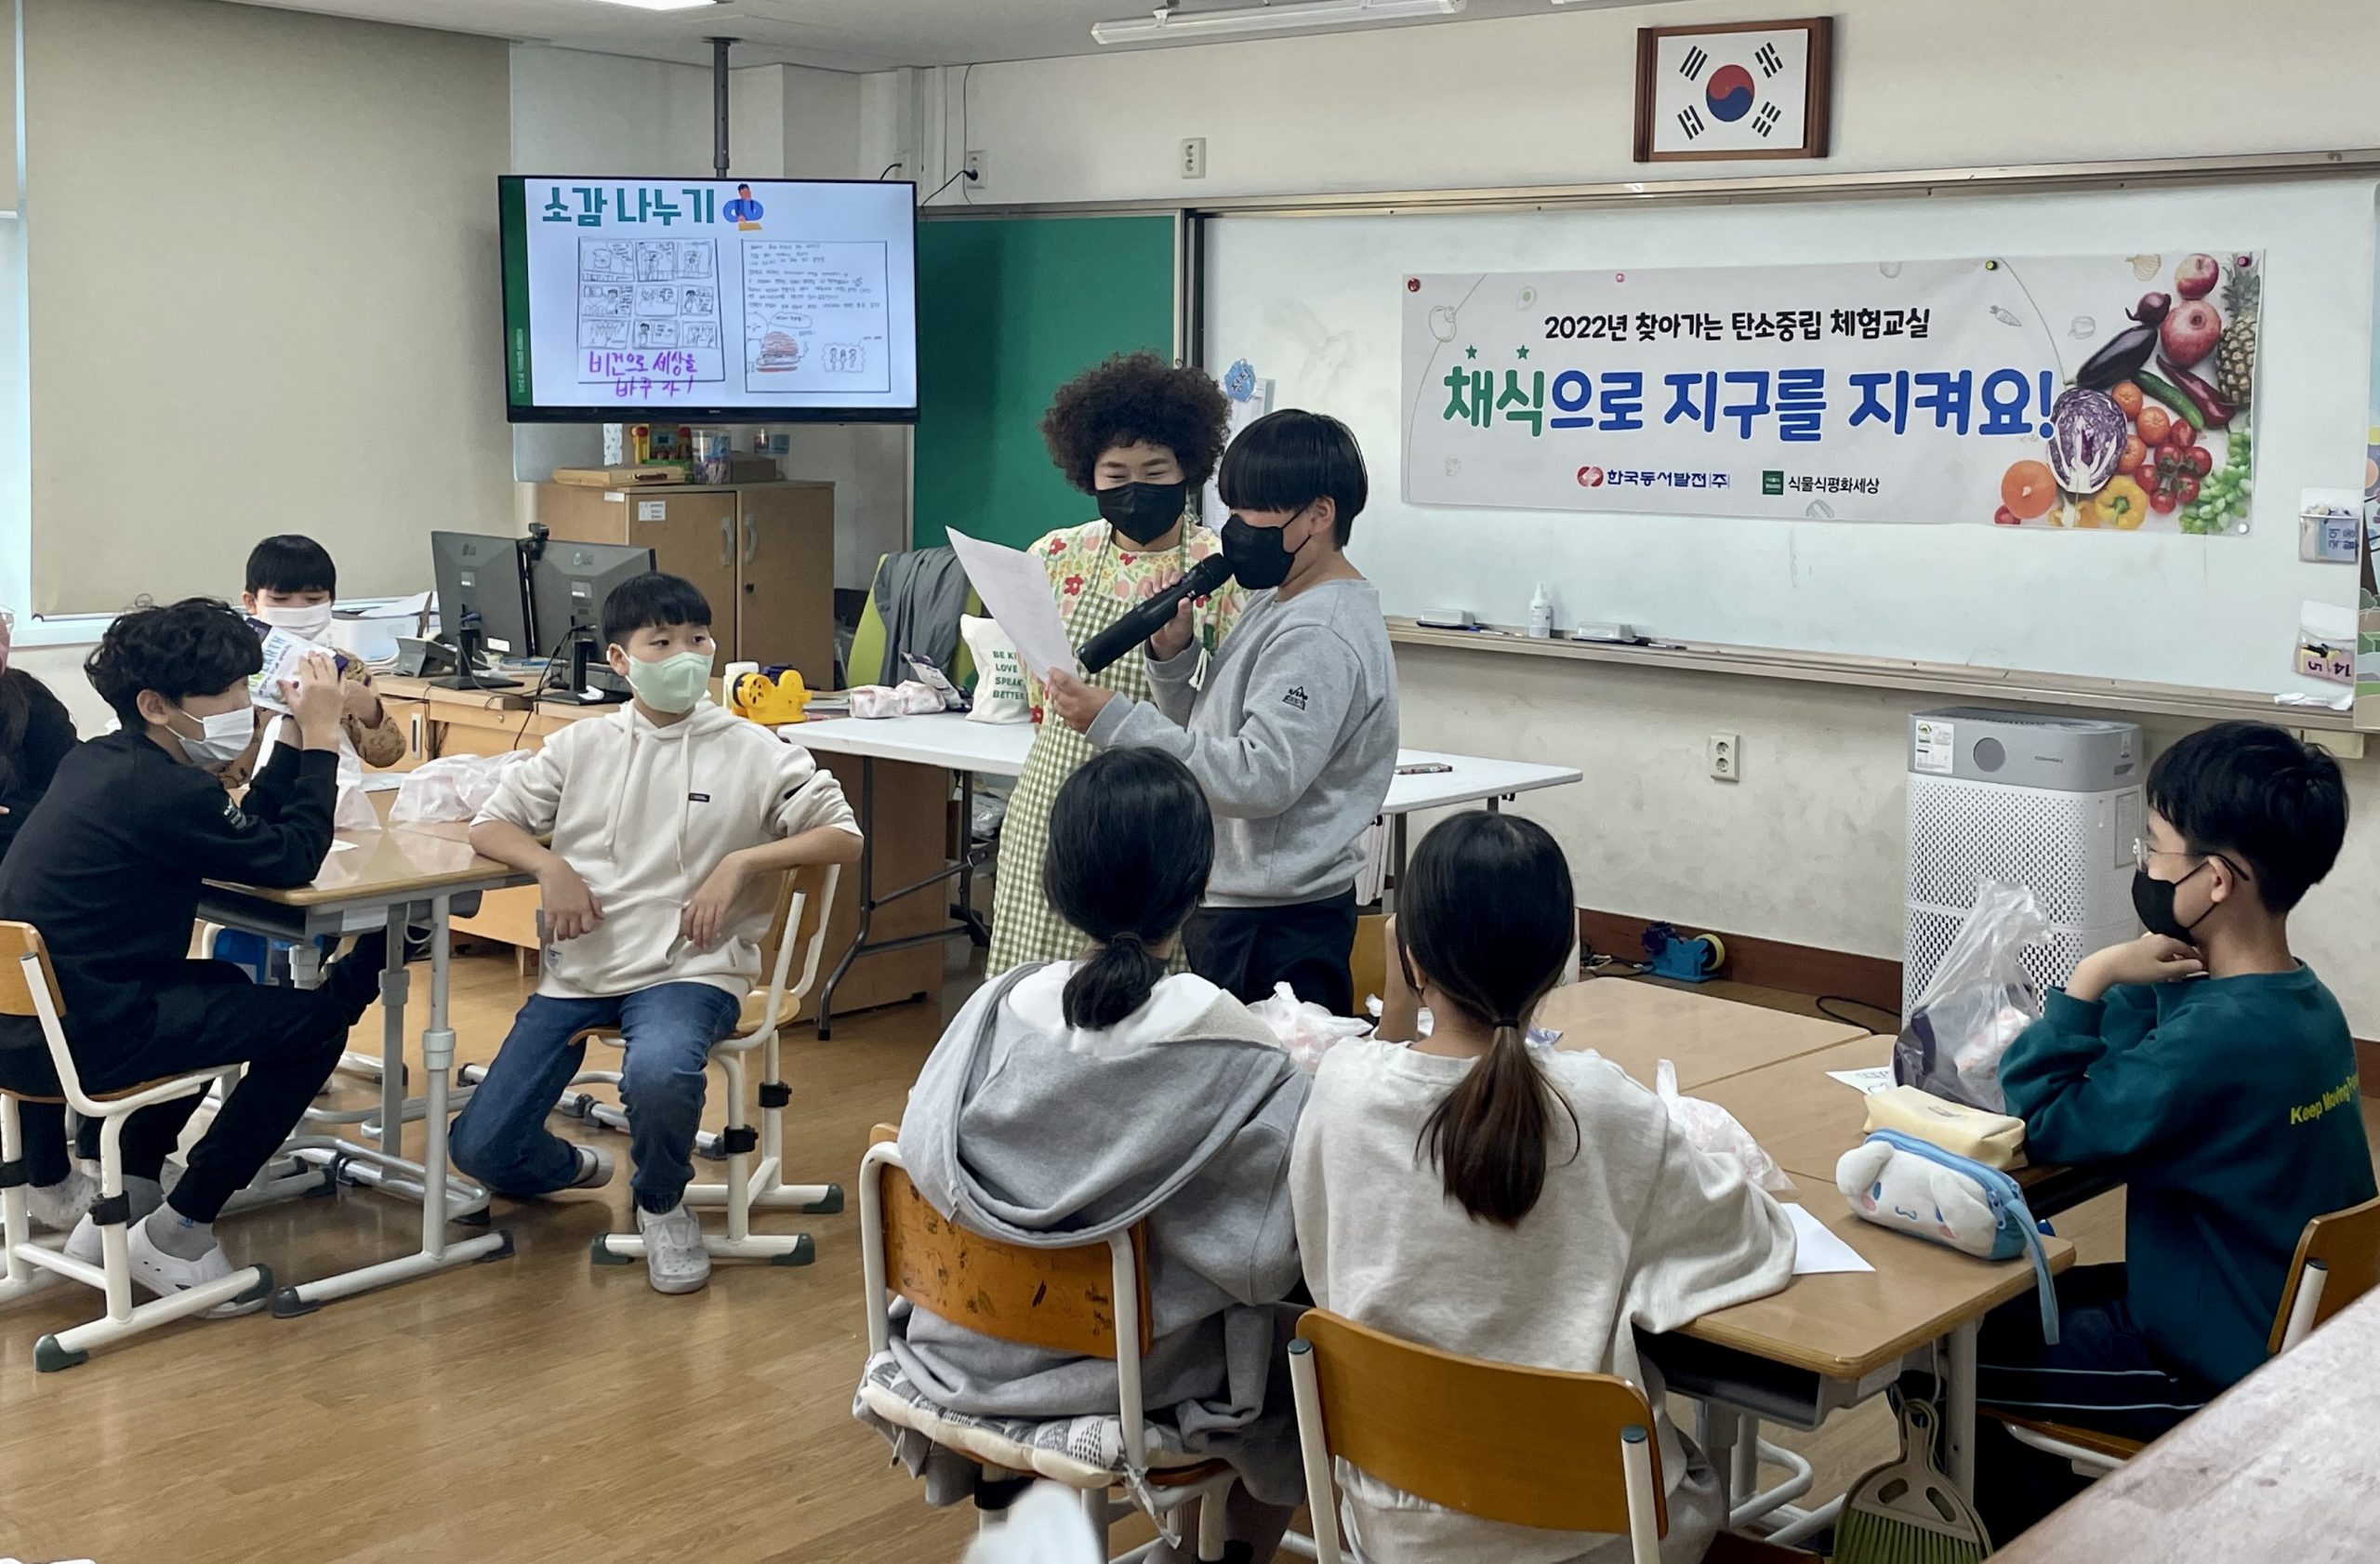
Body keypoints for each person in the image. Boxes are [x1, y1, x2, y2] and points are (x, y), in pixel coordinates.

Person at [1290, 813, 1794, 1564]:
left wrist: (1401, 1001)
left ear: (1410, 956)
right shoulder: (1601, 1105)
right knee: (1691, 1473)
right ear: (1560, 960)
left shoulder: (1343, 1090)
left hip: (1399, 1528)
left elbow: (1320, 1241)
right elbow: (1755, 1239)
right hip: (1594, 1533)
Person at [861, 749, 1308, 1562]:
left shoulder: (992, 1007)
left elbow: (922, 1154)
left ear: (1056, 881)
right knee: (1299, 1358)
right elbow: (1264, 1259)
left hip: (959, 1346)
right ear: (1201, 884)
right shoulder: (1238, 1048)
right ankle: (1209, 1554)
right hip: (1121, 1380)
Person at [1972, 721, 2371, 1541]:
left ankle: (2020, 1541)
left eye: (2153, 848)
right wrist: (2145, 978)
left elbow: (2045, 1120)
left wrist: (2090, 977)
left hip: (2215, 1373)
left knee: (1945, 1356)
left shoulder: (2214, 1044)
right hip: (2268, 1317)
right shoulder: (2303, 1003)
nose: (2145, 868)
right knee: (1997, 1303)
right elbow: (2144, 1065)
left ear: (2214, 880)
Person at [450, 572, 862, 1296]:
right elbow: (490, 823)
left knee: (661, 1073)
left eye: (697, 639)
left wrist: (741, 862)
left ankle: (663, 1202)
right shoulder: (580, 745)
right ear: (619, 660)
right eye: (661, 642)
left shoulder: (754, 748)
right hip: (581, 970)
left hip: (691, 968)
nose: (685, 656)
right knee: (479, 1148)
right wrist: (550, 867)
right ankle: (576, 1167)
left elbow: (843, 836)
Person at [0, 599, 384, 1308]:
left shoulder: (104, 763)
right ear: (156, 705)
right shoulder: (164, 789)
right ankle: (181, 1230)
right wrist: (323, 739)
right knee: (316, 1026)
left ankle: (131, 1200)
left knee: (223, 982)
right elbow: (293, 858)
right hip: (86, 1042)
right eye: (229, 692)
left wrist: (291, 731)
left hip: (31, 1032)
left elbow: (246, 834)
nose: (244, 704)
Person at [1046, 410, 1395, 1016]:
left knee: (1270, 1070)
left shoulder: (1319, 632)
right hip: (1244, 901)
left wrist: (1117, 722)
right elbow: (1214, 732)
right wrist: (1175, 659)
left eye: (1254, 510)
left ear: (1319, 514)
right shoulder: (1282, 600)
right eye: (1231, 508)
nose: (1236, 527)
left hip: (1276, 922)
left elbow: (1259, 778)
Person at [986, 351, 1244, 978]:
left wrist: (1174, 656)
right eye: (1115, 473)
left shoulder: (1221, 570)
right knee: (1035, 988)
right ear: (1088, 474)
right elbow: (1039, 696)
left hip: (1160, 819)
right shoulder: (1054, 555)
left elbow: (1224, 714)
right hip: (1054, 805)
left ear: (1188, 467)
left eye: (1155, 470)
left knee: (1146, 1002)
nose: (1135, 488)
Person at [0, 606, 94, 1232]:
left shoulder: (28, 700)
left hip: (26, 883)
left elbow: (74, 791)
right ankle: (45, 1170)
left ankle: (96, 1148)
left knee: (69, 959)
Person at [218, 533, 406, 789]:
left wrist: (367, 707)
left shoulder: (343, 666)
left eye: (313, 600)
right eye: (280, 600)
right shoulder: (228, 666)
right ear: (251, 602)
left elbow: (388, 756)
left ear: (331, 602)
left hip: (323, 795)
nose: (298, 609)